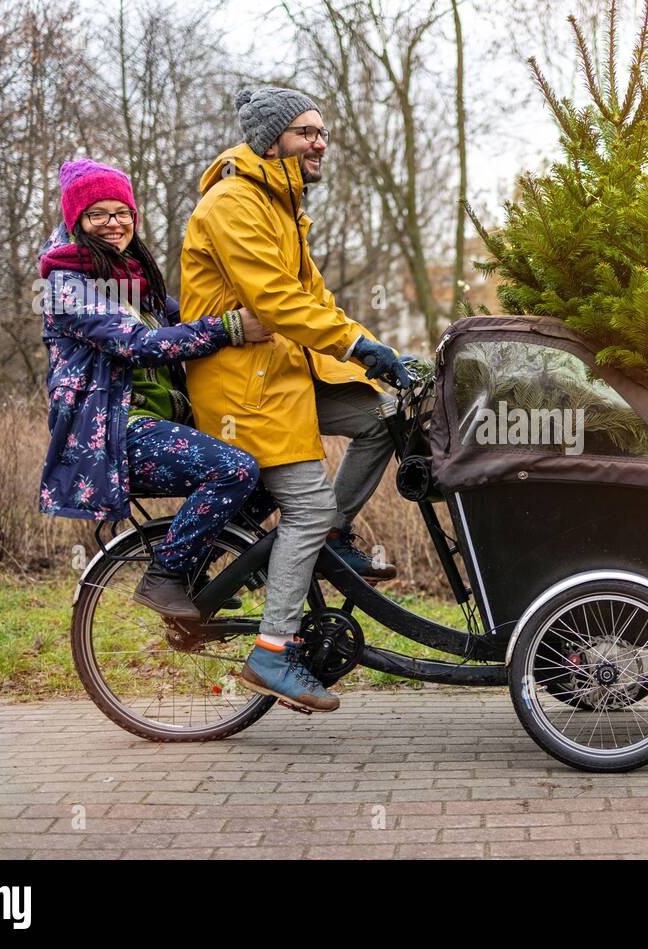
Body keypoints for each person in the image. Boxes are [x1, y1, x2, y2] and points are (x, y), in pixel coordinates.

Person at [179, 86, 416, 713]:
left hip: (283, 373)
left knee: (384, 414)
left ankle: (333, 533)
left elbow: (313, 301)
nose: (320, 142)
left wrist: (372, 349)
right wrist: (360, 348)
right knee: (305, 509)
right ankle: (273, 652)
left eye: (322, 132)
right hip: (242, 386)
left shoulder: (282, 207)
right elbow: (277, 302)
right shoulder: (233, 203)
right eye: (307, 132)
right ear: (272, 138)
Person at [38, 158, 273, 619]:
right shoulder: (65, 286)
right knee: (235, 469)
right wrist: (230, 328)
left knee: (269, 475)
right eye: (98, 214)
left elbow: (183, 322)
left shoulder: (134, 279)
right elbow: (137, 344)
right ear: (77, 221)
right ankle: (165, 574)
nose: (114, 223)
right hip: (113, 434)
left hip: (155, 425)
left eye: (122, 212)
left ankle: (196, 575)